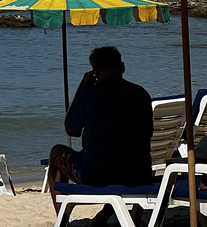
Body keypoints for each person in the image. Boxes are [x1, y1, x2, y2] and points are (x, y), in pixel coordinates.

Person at [47, 46, 153, 210]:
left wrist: (81, 90)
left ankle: (64, 225)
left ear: (95, 71)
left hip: (98, 175)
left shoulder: (90, 95)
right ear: (122, 67)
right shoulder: (141, 93)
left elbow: (70, 129)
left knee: (56, 153)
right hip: (138, 172)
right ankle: (103, 218)